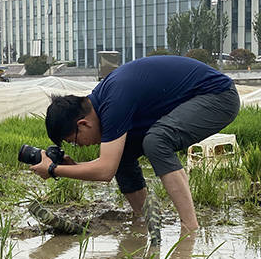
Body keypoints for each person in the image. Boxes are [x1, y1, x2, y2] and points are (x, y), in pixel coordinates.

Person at [29, 55, 240, 234]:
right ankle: (144, 220)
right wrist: (71, 167)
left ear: (82, 124)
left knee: (157, 140)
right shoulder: (102, 103)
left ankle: (190, 228)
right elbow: (112, 162)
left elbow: (105, 171)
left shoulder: (113, 103)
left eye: (73, 141)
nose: (79, 146)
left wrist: (54, 169)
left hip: (218, 97)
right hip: (193, 99)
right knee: (123, 155)